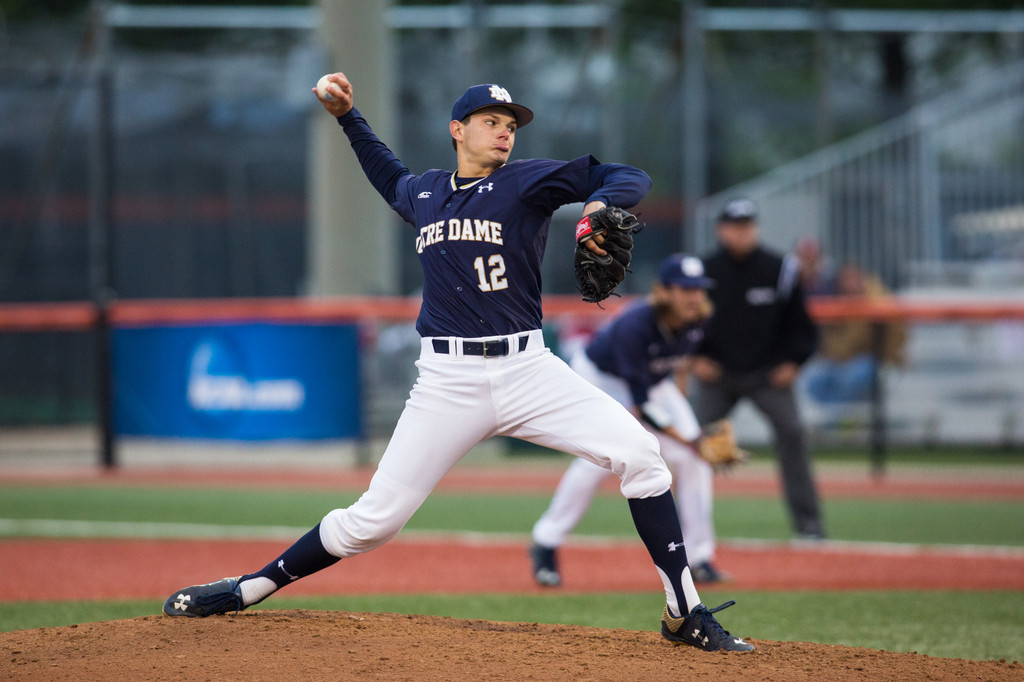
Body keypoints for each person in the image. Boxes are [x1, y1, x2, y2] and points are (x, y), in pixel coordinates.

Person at [160, 75, 753, 652]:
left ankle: (684, 612)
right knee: (373, 523)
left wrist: (598, 205)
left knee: (643, 456)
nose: (504, 133)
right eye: (490, 122)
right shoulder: (425, 194)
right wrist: (347, 116)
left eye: (510, 125)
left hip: (530, 371)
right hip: (447, 383)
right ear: (456, 130)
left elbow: (628, 175)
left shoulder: (527, 182)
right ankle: (249, 589)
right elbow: (384, 172)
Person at [530, 254, 727, 587]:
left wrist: (692, 441)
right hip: (601, 378)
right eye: (685, 289)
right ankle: (545, 542)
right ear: (663, 291)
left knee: (697, 459)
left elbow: (676, 366)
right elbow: (643, 409)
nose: (694, 297)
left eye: (699, 289)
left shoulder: (699, 319)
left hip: (653, 382)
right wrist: (689, 438)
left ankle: (699, 557)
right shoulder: (635, 325)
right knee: (599, 462)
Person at [691, 198, 825, 540]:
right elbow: (684, 322)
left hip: (768, 373)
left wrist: (794, 362)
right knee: (688, 442)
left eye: (748, 226)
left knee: (793, 434)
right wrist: (694, 358)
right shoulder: (703, 271)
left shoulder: (780, 269)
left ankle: (809, 526)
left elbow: (803, 328)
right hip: (717, 373)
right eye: (736, 226)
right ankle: (688, 531)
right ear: (722, 230)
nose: (743, 232)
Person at [802, 262, 908, 406]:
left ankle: (844, 419)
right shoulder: (834, 301)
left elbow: (894, 337)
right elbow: (831, 345)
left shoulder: (878, 300)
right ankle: (840, 419)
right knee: (815, 378)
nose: (850, 283)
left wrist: (872, 295)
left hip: (873, 360)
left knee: (856, 375)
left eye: (854, 277)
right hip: (840, 361)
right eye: (845, 278)